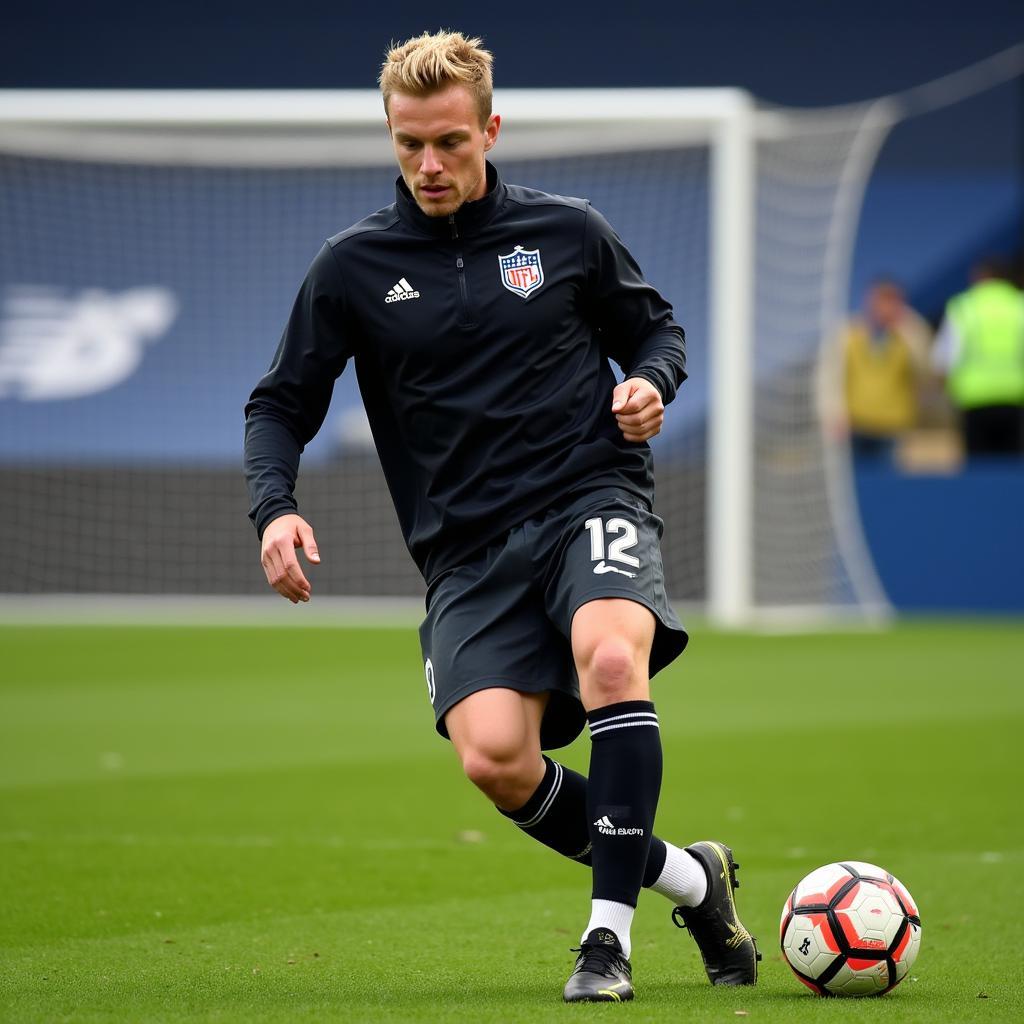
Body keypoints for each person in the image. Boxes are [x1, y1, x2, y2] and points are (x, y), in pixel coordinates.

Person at [244, 30, 758, 1003]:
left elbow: (654, 329)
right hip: (466, 550)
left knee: (612, 657)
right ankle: (693, 880)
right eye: (408, 145)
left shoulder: (568, 231)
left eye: (448, 141)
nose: (429, 165)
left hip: (586, 496)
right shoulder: (353, 266)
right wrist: (274, 510)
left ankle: (605, 942)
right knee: (493, 758)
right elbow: (278, 403)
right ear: (390, 137)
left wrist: (649, 383)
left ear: (489, 126)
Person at [932, 258, 1024, 457]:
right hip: (1016, 398)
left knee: (979, 470)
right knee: (1014, 470)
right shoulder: (1019, 306)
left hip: (974, 400)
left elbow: (943, 359)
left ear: (980, 278)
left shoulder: (963, 307)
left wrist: (945, 393)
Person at [834, 278, 931, 463]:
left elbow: (925, 371)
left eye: (891, 301)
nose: (884, 307)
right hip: (856, 424)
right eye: (880, 300)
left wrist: (907, 329)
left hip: (894, 425)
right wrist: (835, 412)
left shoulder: (911, 333)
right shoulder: (849, 332)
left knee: (890, 483)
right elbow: (833, 378)